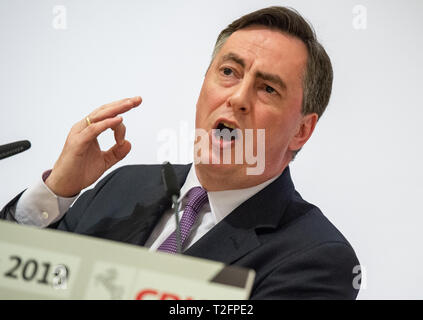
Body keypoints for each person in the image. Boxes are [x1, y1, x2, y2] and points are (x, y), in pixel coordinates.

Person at [1, 6, 360, 299]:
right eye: (229, 72)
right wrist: (56, 191)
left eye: (267, 88)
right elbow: (15, 282)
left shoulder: (317, 258)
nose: (237, 98)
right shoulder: (122, 187)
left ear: (302, 130)